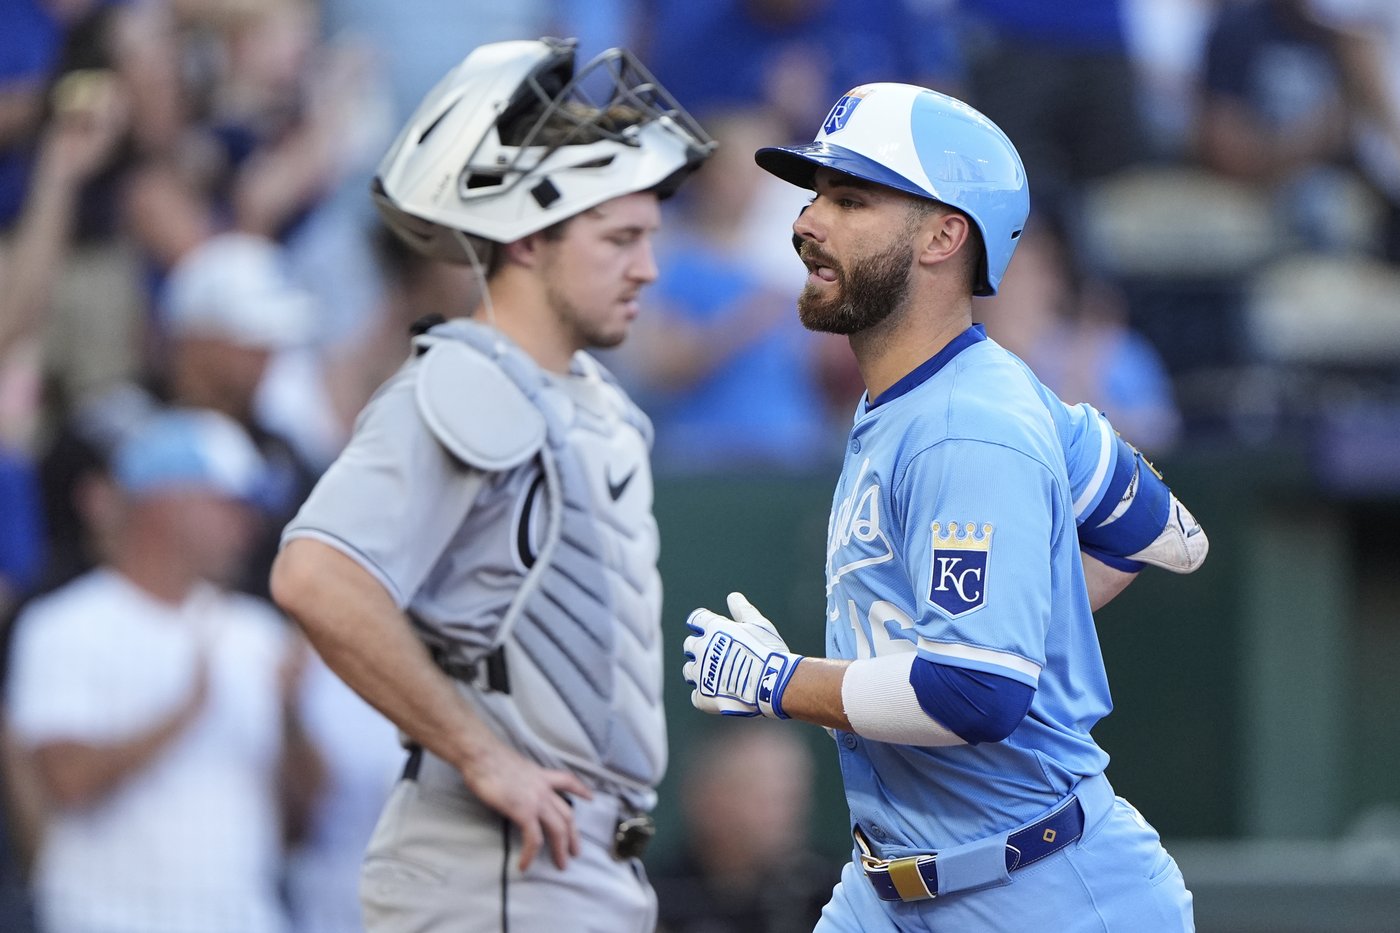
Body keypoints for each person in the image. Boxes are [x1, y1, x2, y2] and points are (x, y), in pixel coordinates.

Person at [680, 83, 1208, 930]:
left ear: (944, 234)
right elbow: (1160, 530)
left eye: (849, 199)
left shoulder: (970, 425)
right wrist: (1036, 601)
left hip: (1041, 890)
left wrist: (780, 681)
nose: (806, 223)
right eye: (815, 196)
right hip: (891, 884)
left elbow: (972, 695)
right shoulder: (933, 394)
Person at [269, 37, 714, 933]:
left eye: (649, 238)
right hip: (495, 865)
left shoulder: (593, 401)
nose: (647, 268)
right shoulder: (468, 376)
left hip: (575, 864)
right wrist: (482, 755)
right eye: (619, 238)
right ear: (529, 241)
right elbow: (314, 576)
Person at [5, 407, 324, 933]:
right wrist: (182, 713)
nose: (249, 525)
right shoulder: (60, 626)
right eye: (230, 504)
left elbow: (301, 827)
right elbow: (65, 782)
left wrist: (290, 715)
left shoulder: (259, 633)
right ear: (166, 506)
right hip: (102, 921)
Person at [650, 720, 841, 933]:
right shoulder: (653, 902)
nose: (787, 811)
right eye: (765, 796)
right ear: (709, 798)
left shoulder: (833, 896)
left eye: (792, 794)